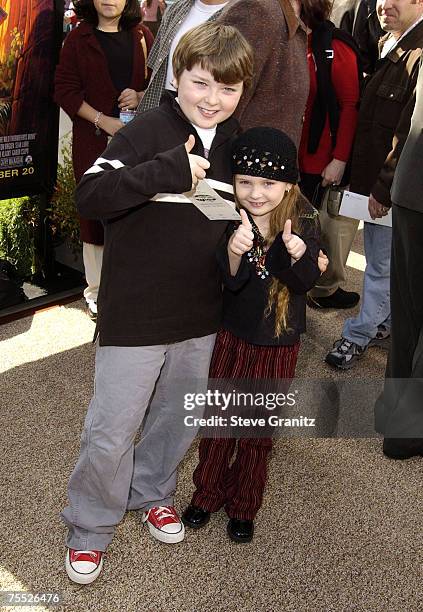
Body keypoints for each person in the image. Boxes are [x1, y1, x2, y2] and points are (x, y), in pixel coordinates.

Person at [61, 22, 254, 584]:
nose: (212, 100)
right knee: (112, 428)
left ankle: (154, 492)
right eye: (200, 84)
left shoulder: (237, 139)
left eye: (228, 88)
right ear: (176, 76)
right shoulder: (147, 130)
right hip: (137, 314)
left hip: (199, 311)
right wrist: (166, 169)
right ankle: (91, 527)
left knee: (177, 416)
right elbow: (91, 196)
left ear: (242, 90)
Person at [182, 127, 321, 543]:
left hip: (279, 344)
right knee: (219, 421)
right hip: (232, 335)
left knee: (258, 431)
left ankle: (244, 506)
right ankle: (207, 493)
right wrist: (233, 250)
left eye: (268, 183)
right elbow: (230, 281)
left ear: (289, 184)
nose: (256, 193)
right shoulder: (228, 215)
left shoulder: (306, 219)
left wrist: (297, 255)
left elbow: (305, 283)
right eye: (246, 182)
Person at [325, 0, 423, 370]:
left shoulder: (418, 53)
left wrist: (383, 188)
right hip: (375, 183)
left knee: (379, 266)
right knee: (388, 266)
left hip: (389, 190)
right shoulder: (391, 43)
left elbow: (409, 132)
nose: (385, 5)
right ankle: (382, 322)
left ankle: (358, 334)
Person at [54, 0, 154, 321]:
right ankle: (96, 293)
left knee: (136, 210)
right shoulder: (78, 40)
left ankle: (129, 286)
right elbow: (65, 91)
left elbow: (159, 82)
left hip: (137, 145)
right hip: (95, 142)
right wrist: (102, 120)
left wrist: (140, 96)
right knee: (95, 216)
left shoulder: (142, 35)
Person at [139, 0, 310, 150]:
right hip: (239, 166)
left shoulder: (264, 10)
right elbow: (158, 76)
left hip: (253, 166)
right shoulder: (260, 10)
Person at [374, 55, 423, 460]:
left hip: (412, 185)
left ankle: (394, 414)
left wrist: (389, 182)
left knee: (408, 309)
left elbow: (409, 122)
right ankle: (409, 430)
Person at [299, 0, 361, 309]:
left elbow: (350, 105)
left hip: (319, 160)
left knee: (313, 227)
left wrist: (339, 159)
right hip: (290, 154)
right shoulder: (289, 38)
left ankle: (320, 289)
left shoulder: (334, 45)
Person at [138, 0, 229, 112]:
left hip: (207, 113)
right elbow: (157, 67)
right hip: (161, 110)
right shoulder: (176, 9)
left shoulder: (245, 14)